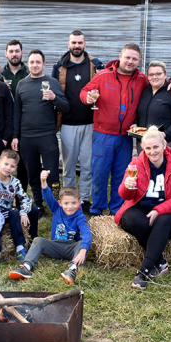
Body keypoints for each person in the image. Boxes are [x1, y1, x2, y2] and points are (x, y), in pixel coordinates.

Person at [80, 43, 171, 216]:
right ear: (120, 56)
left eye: (134, 59)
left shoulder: (141, 78)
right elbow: (85, 91)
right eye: (128, 57)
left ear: (139, 61)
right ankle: (97, 210)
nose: (130, 62)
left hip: (127, 136)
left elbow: (157, 79)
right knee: (100, 174)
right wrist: (87, 97)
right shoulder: (103, 75)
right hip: (103, 134)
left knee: (123, 174)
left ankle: (117, 210)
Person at [115, 126, 171, 290]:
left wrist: (159, 210)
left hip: (168, 212)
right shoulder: (136, 163)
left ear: (164, 145)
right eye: (148, 148)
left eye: (156, 147)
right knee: (134, 219)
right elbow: (125, 196)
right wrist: (127, 186)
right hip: (140, 209)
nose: (152, 152)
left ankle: (143, 271)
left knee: (162, 223)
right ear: (143, 149)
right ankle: (160, 262)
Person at [52, 30, 104, 213]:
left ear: (85, 44)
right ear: (68, 44)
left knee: (88, 165)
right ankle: (69, 199)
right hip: (67, 123)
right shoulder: (59, 66)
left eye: (80, 42)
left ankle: (84, 200)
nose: (77, 46)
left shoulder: (95, 64)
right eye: (74, 42)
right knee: (68, 165)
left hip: (90, 123)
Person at [9, 169, 91, 285]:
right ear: (60, 203)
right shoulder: (56, 209)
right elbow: (48, 196)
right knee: (38, 240)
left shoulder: (80, 217)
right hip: (55, 246)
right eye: (66, 203)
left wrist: (83, 250)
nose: (70, 207)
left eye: (73, 203)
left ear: (79, 202)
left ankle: (72, 270)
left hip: (71, 248)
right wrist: (43, 181)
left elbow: (87, 233)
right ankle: (26, 267)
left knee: (83, 244)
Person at [12, 50, 69, 215]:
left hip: (47, 136)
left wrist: (54, 98)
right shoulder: (22, 84)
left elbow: (65, 107)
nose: (35, 65)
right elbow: (17, 112)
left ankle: (56, 204)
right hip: (27, 138)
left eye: (38, 62)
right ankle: (38, 204)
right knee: (33, 174)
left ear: (44, 64)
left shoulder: (52, 82)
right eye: (32, 62)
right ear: (28, 64)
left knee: (52, 174)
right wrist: (16, 136)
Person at [0, 150, 39, 261]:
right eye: (6, 164)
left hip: (7, 214)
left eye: (12, 166)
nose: (8, 168)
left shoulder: (15, 182)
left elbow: (26, 199)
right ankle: (19, 247)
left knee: (32, 209)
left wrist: (23, 212)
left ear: (16, 168)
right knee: (13, 211)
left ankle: (32, 240)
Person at [1, 39, 29, 192]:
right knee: (5, 164)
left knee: (22, 165)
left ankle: (21, 196)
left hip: (23, 126)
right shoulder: (0, 74)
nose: (14, 54)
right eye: (11, 51)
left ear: (22, 53)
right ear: (6, 54)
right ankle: (4, 194)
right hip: (4, 126)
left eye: (17, 51)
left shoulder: (28, 73)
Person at [135, 61, 171, 144]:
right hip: (143, 142)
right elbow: (139, 113)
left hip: (163, 142)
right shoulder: (144, 91)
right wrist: (135, 124)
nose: (154, 77)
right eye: (151, 74)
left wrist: (166, 134)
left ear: (165, 75)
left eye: (158, 74)